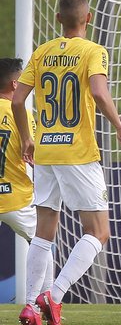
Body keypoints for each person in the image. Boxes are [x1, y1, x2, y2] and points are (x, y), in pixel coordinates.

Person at [12, 0, 121, 325]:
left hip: (46, 152)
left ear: (57, 19)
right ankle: (55, 294)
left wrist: (27, 138)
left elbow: (18, 98)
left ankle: (31, 307)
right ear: (89, 18)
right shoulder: (93, 51)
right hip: (78, 153)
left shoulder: (42, 51)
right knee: (98, 231)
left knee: (43, 230)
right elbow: (97, 92)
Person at [0, 58, 53, 307]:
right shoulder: (19, 113)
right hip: (14, 197)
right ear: (14, 84)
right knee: (42, 242)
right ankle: (47, 302)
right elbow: (33, 154)